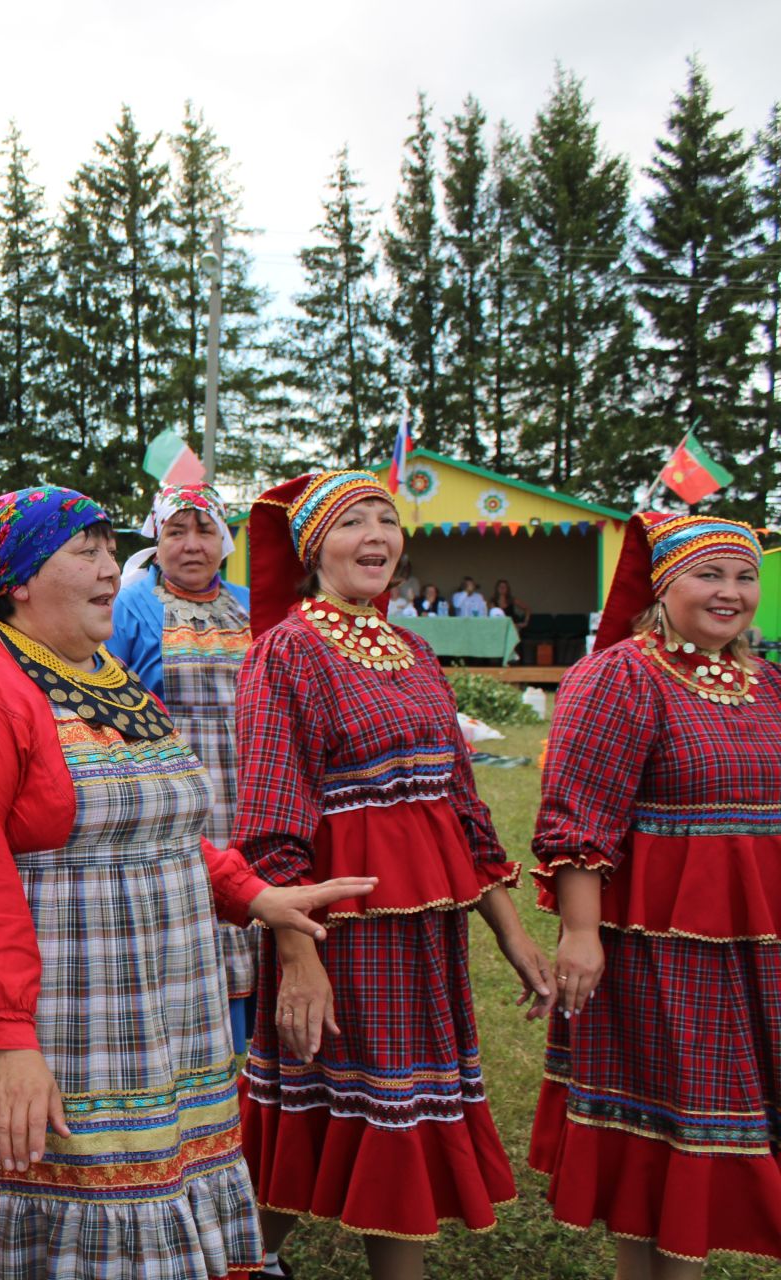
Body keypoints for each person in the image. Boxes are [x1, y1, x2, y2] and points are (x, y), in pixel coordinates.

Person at [0, 485, 376, 1279]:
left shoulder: (110, 678)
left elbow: (169, 830)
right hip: (69, 1012)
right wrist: (9, 1037)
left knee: (170, 1183)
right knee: (91, 1208)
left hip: (168, 1006)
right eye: (84, 551)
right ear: (18, 578)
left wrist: (251, 895)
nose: (107, 568)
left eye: (106, 549)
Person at [235, 471, 555, 1278]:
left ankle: (249, 1260)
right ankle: (239, 1262)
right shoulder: (286, 651)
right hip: (338, 929)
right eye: (352, 523)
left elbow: (461, 804)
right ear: (314, 549)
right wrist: (299, 959)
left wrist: (513, 936)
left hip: (426, 929)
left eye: (387, 518)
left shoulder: (410, 648)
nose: (376, 535)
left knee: (396, 1113)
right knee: (334, 1115)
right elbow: (271, 824)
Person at [529, 513, 781, 1272]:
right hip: (661, 953)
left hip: (760, 945)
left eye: (744, 577)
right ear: (663, 585)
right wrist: (580, 934)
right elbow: (577, 818)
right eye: (709, 575)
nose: (730, 593)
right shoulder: (621, 675)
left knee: (735, 1125)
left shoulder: (768, 680)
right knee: (672, 1134)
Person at [107, 483, 260, 1047]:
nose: (191, 544)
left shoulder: (253, 604)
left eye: (204, 530)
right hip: (172, 796)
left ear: (224, 538)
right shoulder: (131, 605)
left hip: (252, 789)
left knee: (256, 902)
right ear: (156, 537)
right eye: (176, 531)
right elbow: (108, 701)